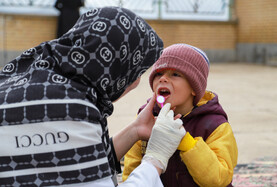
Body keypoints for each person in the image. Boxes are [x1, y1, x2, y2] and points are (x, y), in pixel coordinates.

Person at [0, 7, 186, 186]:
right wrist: (155, 159)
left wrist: (135, 130)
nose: (136, 82)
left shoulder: (37, 78)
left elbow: (75, 163)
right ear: (116, 65)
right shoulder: (71, 108)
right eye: (137, 71)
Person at [123, 43, 239, 186]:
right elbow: (131, 170)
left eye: (175, 74)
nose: (163, 79)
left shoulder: (215, 125)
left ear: (194, 88)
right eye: (158, 73)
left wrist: (187, 143)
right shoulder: (145, 118)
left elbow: (219, 179)